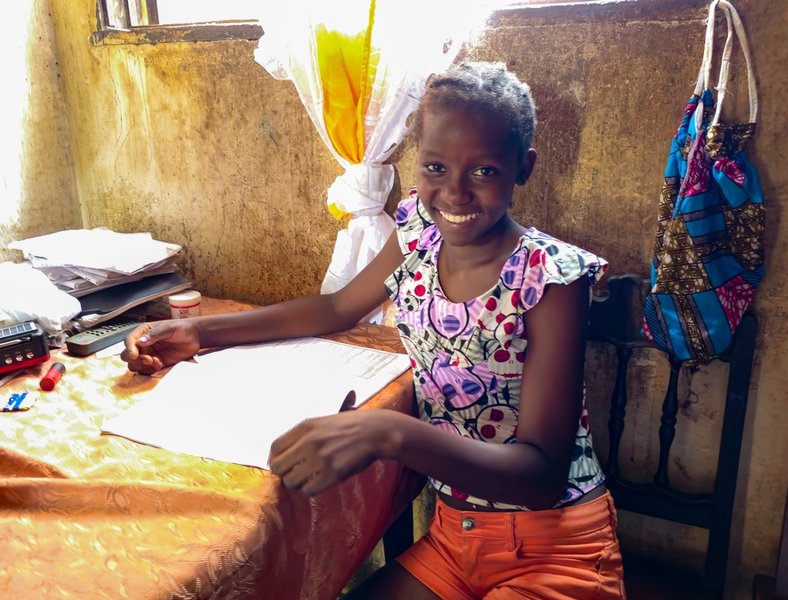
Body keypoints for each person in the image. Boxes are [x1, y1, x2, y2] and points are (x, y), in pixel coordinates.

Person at [122, 61, 625, 599]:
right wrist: (202, 332)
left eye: (483, 171)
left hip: (554, 546)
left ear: (522, 168)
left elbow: (541, 475)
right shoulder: (417, 237)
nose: (453, 194)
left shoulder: (551, 278)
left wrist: (389, 433)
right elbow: (336, 307)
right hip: (454, 540)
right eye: (435, 167)